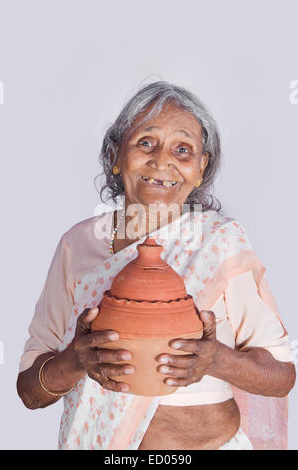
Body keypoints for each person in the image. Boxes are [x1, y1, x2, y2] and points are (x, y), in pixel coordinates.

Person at [17, 81, 296, 450]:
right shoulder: (77, 245)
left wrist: (215, 360)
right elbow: (30, 391)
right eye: (145, 142)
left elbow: (281, 374)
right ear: (116, 155)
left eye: (183, 149)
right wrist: (75, 360)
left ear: (200, 168)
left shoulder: (219, 242)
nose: (162, 161)